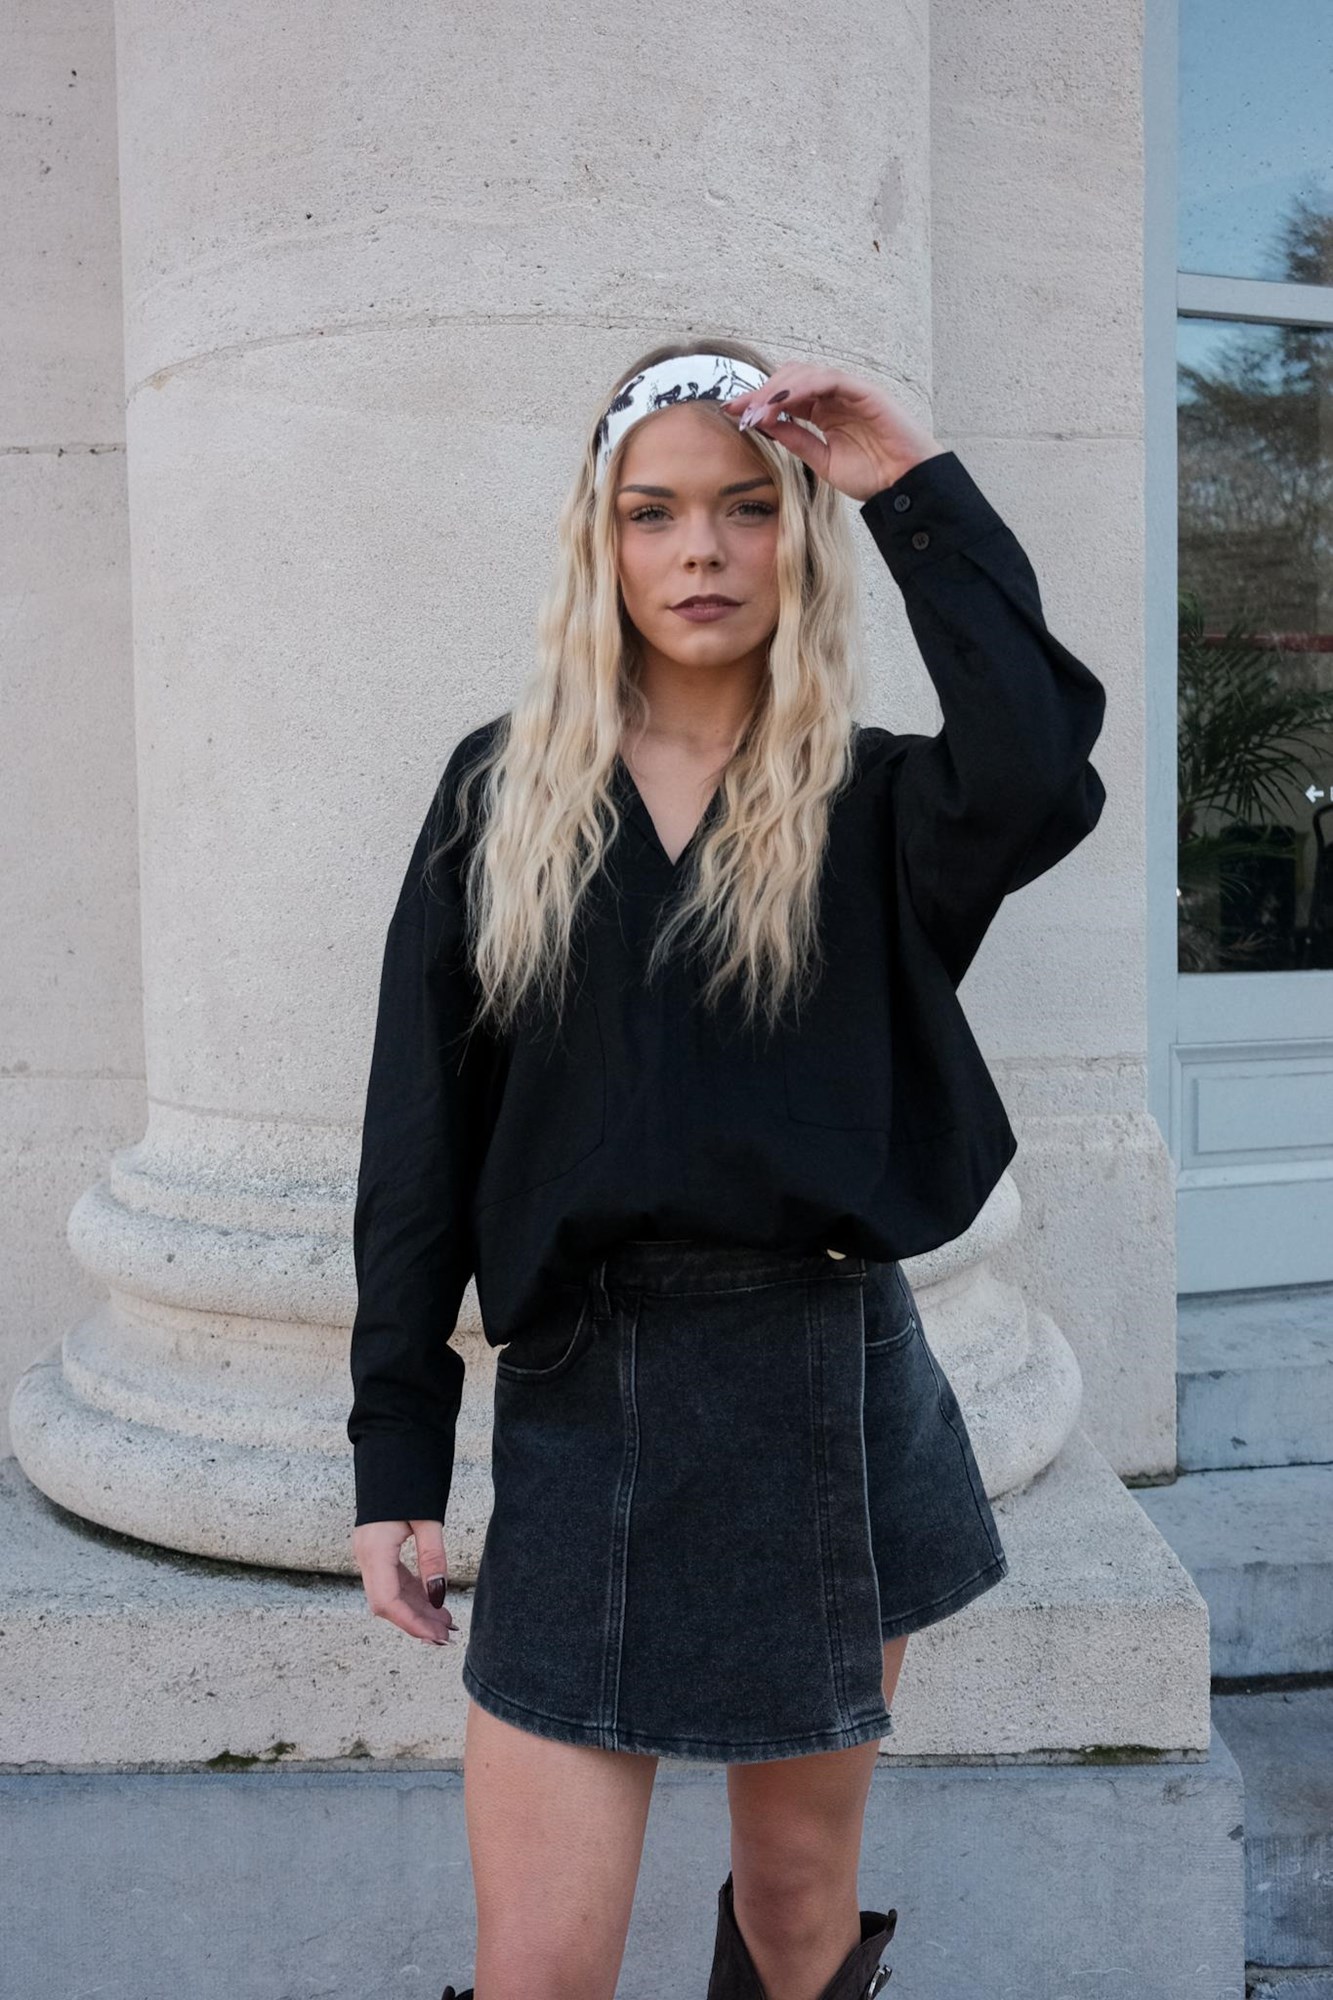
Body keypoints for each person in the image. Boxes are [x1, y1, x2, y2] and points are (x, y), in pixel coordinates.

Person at [346, 339, 1107, 2000]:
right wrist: (393, 1445)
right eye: (655, 512)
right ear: (602, 543)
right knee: (539, 1962)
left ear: (796, 534)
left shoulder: (879, 799)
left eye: (747, 508)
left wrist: (908, 482)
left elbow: (1039, 766)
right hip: (585, 1394)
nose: (700, 549)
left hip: (819, 1378)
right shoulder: (502, 792)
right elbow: (420, 1134)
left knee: (794, 1909)